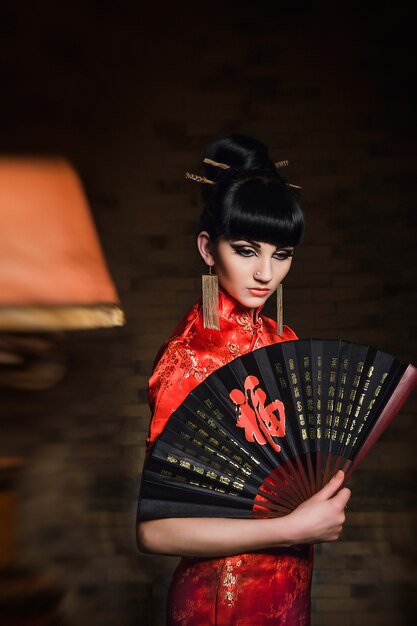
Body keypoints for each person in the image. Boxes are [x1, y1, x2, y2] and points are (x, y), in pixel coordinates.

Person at [137, 134, 351, 625]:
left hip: (291, 586)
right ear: (208, 249)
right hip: (221, 599)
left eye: (282, 254)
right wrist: (293, 526)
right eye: (247, 249)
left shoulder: (283, 339)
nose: (265, 273)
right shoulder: (188, 360)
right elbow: (155, 532)